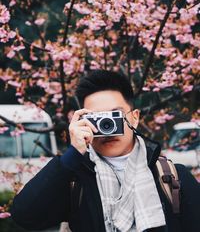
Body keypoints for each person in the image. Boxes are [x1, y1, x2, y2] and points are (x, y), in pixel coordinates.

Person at [11, 70, 200, 232]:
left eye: (114, 116)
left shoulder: (172, 176)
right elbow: (25, 217)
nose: (107, 126)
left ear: (134, 118)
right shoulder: (76, 180)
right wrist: (73, 154)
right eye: (97, 119)